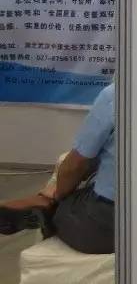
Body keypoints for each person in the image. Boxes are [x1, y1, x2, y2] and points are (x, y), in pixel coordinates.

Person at [0, 82, 116, 255]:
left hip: (111, 223)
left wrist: (59, 195)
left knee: (65, 203)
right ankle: (45, 200)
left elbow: (74, 166)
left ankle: (49, 204)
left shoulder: (116, 95)